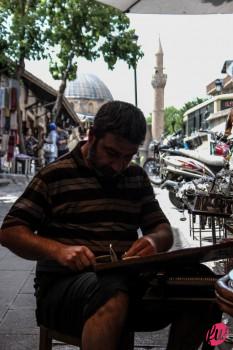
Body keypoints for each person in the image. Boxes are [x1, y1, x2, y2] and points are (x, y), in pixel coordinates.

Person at [0, 101, 221, 350]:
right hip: (64, 292)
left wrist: (152, 241)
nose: (118, 165)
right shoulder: (54, 175)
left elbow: (162, 229)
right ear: (92, 136)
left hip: (130, 283)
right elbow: (10, 231)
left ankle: (204, 345)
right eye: (112, 153)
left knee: (206, 284)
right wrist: (58, 251)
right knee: (112, 291)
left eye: (128, 157)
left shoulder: (135, 177)